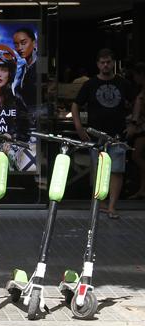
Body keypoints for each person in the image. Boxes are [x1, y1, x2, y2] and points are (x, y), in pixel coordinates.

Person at [72, 48, 134, 219]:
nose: (106, 65)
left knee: (117, 171)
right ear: (98, 64)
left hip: (117, 135)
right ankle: (101, 203)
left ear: (113, 63)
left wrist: (134, 123)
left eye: (108, 62)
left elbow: (137, 101)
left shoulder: (123, 84)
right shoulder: (90, 84)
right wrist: (79, 127)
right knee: (99, 170)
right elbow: (76, 105)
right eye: (102, 62)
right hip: (96, 135)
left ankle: (112, 206)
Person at [126, 63, 145, 199]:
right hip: (140, 126)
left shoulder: (142, 92)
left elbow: (139, 110)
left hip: (141, 127)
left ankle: (142, 188)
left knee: (136, 156)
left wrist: (134, 122)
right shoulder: (141, 89)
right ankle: (142, 189)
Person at [12, 28, 38, 109]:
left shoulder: (40, 66)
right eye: (16, 45)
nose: (19, 48)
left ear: (34, 43)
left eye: (23, 43)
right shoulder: (23, 68)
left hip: (38, 116)